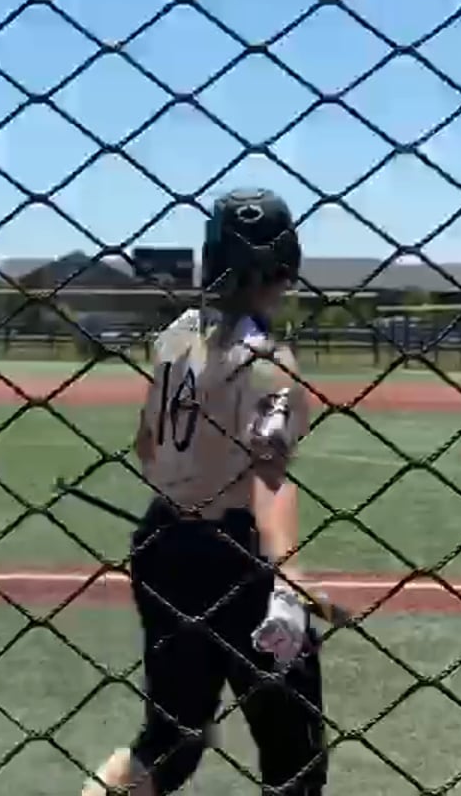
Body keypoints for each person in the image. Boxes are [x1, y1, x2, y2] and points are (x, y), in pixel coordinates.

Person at [81, 188, 327, 795]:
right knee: (293, 754)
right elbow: (269, 474)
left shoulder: (175, 338)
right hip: (237, 558)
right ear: (287, 265)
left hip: (163, 543)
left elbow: (146, 444)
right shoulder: (270, 362)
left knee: (171, 742)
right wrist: (287, 577)